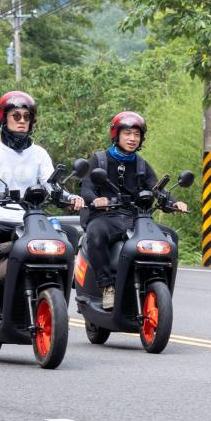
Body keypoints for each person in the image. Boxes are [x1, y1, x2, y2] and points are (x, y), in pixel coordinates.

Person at [0, 91, 85, 321]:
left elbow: (52, 185)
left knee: (67, 235)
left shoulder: (38, 153)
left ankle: (63, 293)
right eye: (16, 116)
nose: (21, 121)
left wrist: (70, 198)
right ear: (4, 118)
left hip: (30, 219)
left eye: (26, 117)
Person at [80, 111, 188, 310]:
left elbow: (157, 188)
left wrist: (174, 203)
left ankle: (159, 284)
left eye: (136, 135)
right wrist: (96, 200)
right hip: (105, 217)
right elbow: (85, 187)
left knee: (169, 236)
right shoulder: (99, 160)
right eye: (127, 133)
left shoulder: (141, 164)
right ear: (116, 135)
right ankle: (107, 286)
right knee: (95, 235)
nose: (132, 139)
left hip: (135, 218)